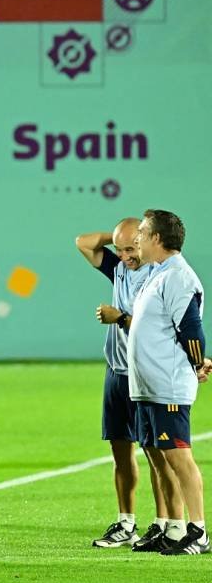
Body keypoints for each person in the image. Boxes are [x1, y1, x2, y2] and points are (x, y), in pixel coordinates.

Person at [75, 220, 179, 551]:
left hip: (144, 374)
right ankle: (126, 522)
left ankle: (163, 524)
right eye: (119, 250)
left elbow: (156, 328)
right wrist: (119, 236)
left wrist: (118, 317)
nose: (124, 256)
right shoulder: (119, 267)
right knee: (120, 450)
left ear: (146, 242)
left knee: (155, 453)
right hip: (117, 372)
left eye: (131, 249)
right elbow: (83, 242)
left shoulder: (158, 277)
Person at [128, 209, 208, 556]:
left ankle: (199, 530)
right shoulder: (158, 273)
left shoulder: (177, 276)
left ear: (158, 239)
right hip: (149, 386)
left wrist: (196, 364)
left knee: (178, 455)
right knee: (159, 455)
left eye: (143, 232)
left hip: (168, 385)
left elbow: (190, 328)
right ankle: (174, 529)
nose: (137, 238)